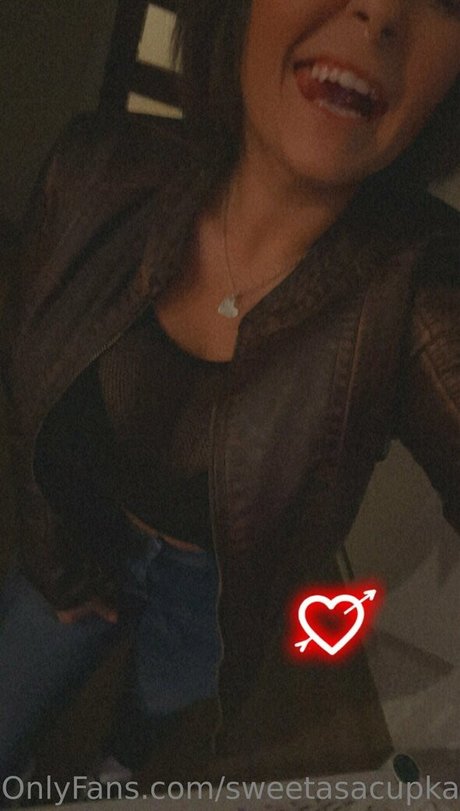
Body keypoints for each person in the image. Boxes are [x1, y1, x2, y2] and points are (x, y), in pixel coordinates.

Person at [1, 0, 459, 797]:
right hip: (75, 540)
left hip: (212, 594)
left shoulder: (422, 292)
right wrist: (48, 549)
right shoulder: (92, 169)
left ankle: (122, 761)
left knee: (160, 699)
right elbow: (29, 391)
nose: (381, 11)